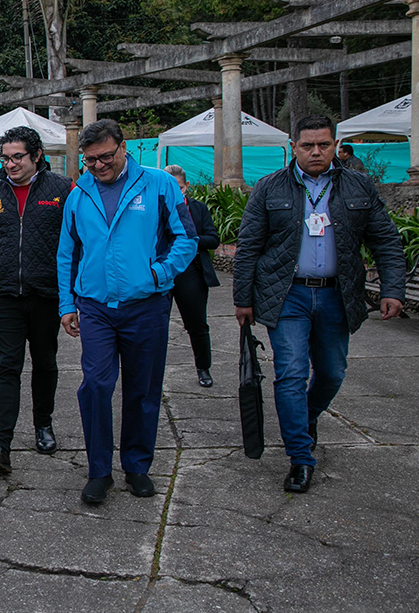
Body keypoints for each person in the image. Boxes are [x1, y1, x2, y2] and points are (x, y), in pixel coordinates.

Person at [234, 114, 406, 494]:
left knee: (331, 372)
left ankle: (306, 417)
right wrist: (242, 299)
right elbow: (248, 247)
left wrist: (393, 288)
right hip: (287, 294)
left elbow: (386, 240)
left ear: (335, 145)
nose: (316, 152)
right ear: (293, 147)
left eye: (323, 145)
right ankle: (300, 457)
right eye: (307, 145)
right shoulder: (270, 188)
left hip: (337, 294)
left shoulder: (358, 185)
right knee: (291, 374)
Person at [56, 119, 197, 505]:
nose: (98, 166)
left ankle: (137, 465)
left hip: (146, 305)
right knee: (96, 385)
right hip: (96, 307)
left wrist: (159, 273)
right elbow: (67, 252)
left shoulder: (159, 184)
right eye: (90, 161)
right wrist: (67, 304)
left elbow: (186, 238)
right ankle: (99, 471)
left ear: (123, 148)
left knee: (143, 389)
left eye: (105, 157)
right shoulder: (79, 194)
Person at [0, 126, 71, 477]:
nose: (11, 163)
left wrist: (70, 297)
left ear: (37, 156)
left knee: (45, 363)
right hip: (4, 295)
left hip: (47, 293)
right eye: (6, 157)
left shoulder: (62, 190)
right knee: (8, 366)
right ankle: (0, 444)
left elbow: (73, 242)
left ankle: (43, 424)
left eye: (18, 157)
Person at [163, 165, 221, 388]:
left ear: (186, 186)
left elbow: (213, 239)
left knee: (196, 323)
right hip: (164, 271)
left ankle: (203, 367)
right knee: (156, 324)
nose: (176, 193)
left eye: (179, 188)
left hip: (191, 272)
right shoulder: (157, 208)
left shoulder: (198, 209)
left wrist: (190, 241)